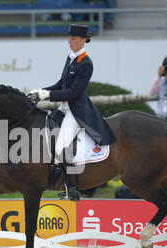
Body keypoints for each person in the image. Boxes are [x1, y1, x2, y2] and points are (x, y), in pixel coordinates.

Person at [30, 24, 116, 201]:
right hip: (63, 108)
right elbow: (61, 84)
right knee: (47, 137)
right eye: (69, 38)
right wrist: (40, 91)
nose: (70, 41)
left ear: (84, 40)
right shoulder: (71, 58)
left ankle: (73, 190)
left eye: (74, 38)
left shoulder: (86, 63)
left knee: (61, 147)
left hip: (76, 112)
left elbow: (74, 93)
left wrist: (49, 95)